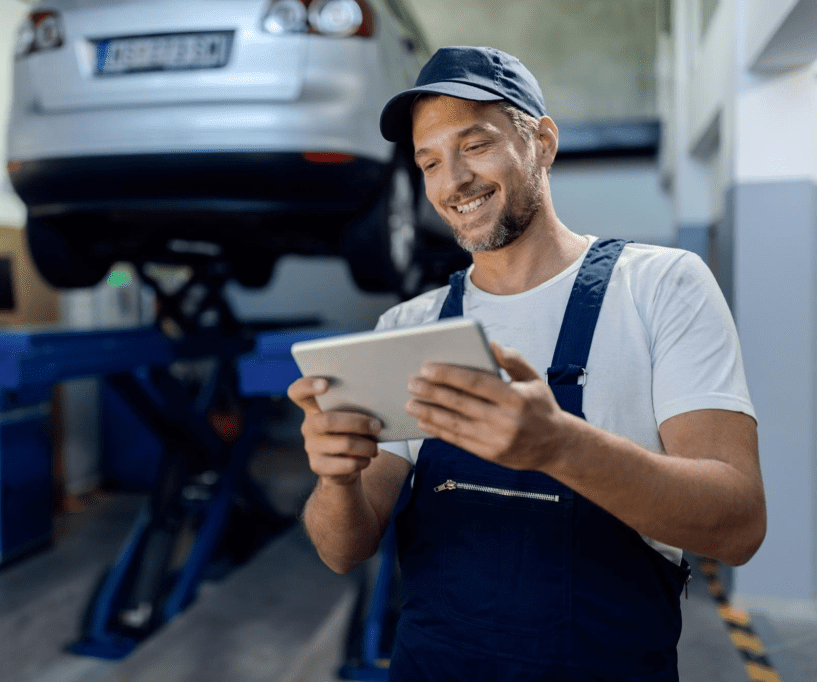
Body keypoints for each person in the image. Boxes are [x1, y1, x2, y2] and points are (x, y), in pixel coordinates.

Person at [287, 46, 766, 681]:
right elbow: (342, 550)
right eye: (429, 161)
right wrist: (336, 478)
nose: (452, 180)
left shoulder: (660, 287)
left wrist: (559, 445)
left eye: (475, 145)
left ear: (541, 142)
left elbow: (737, 526)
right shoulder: (408, 328)